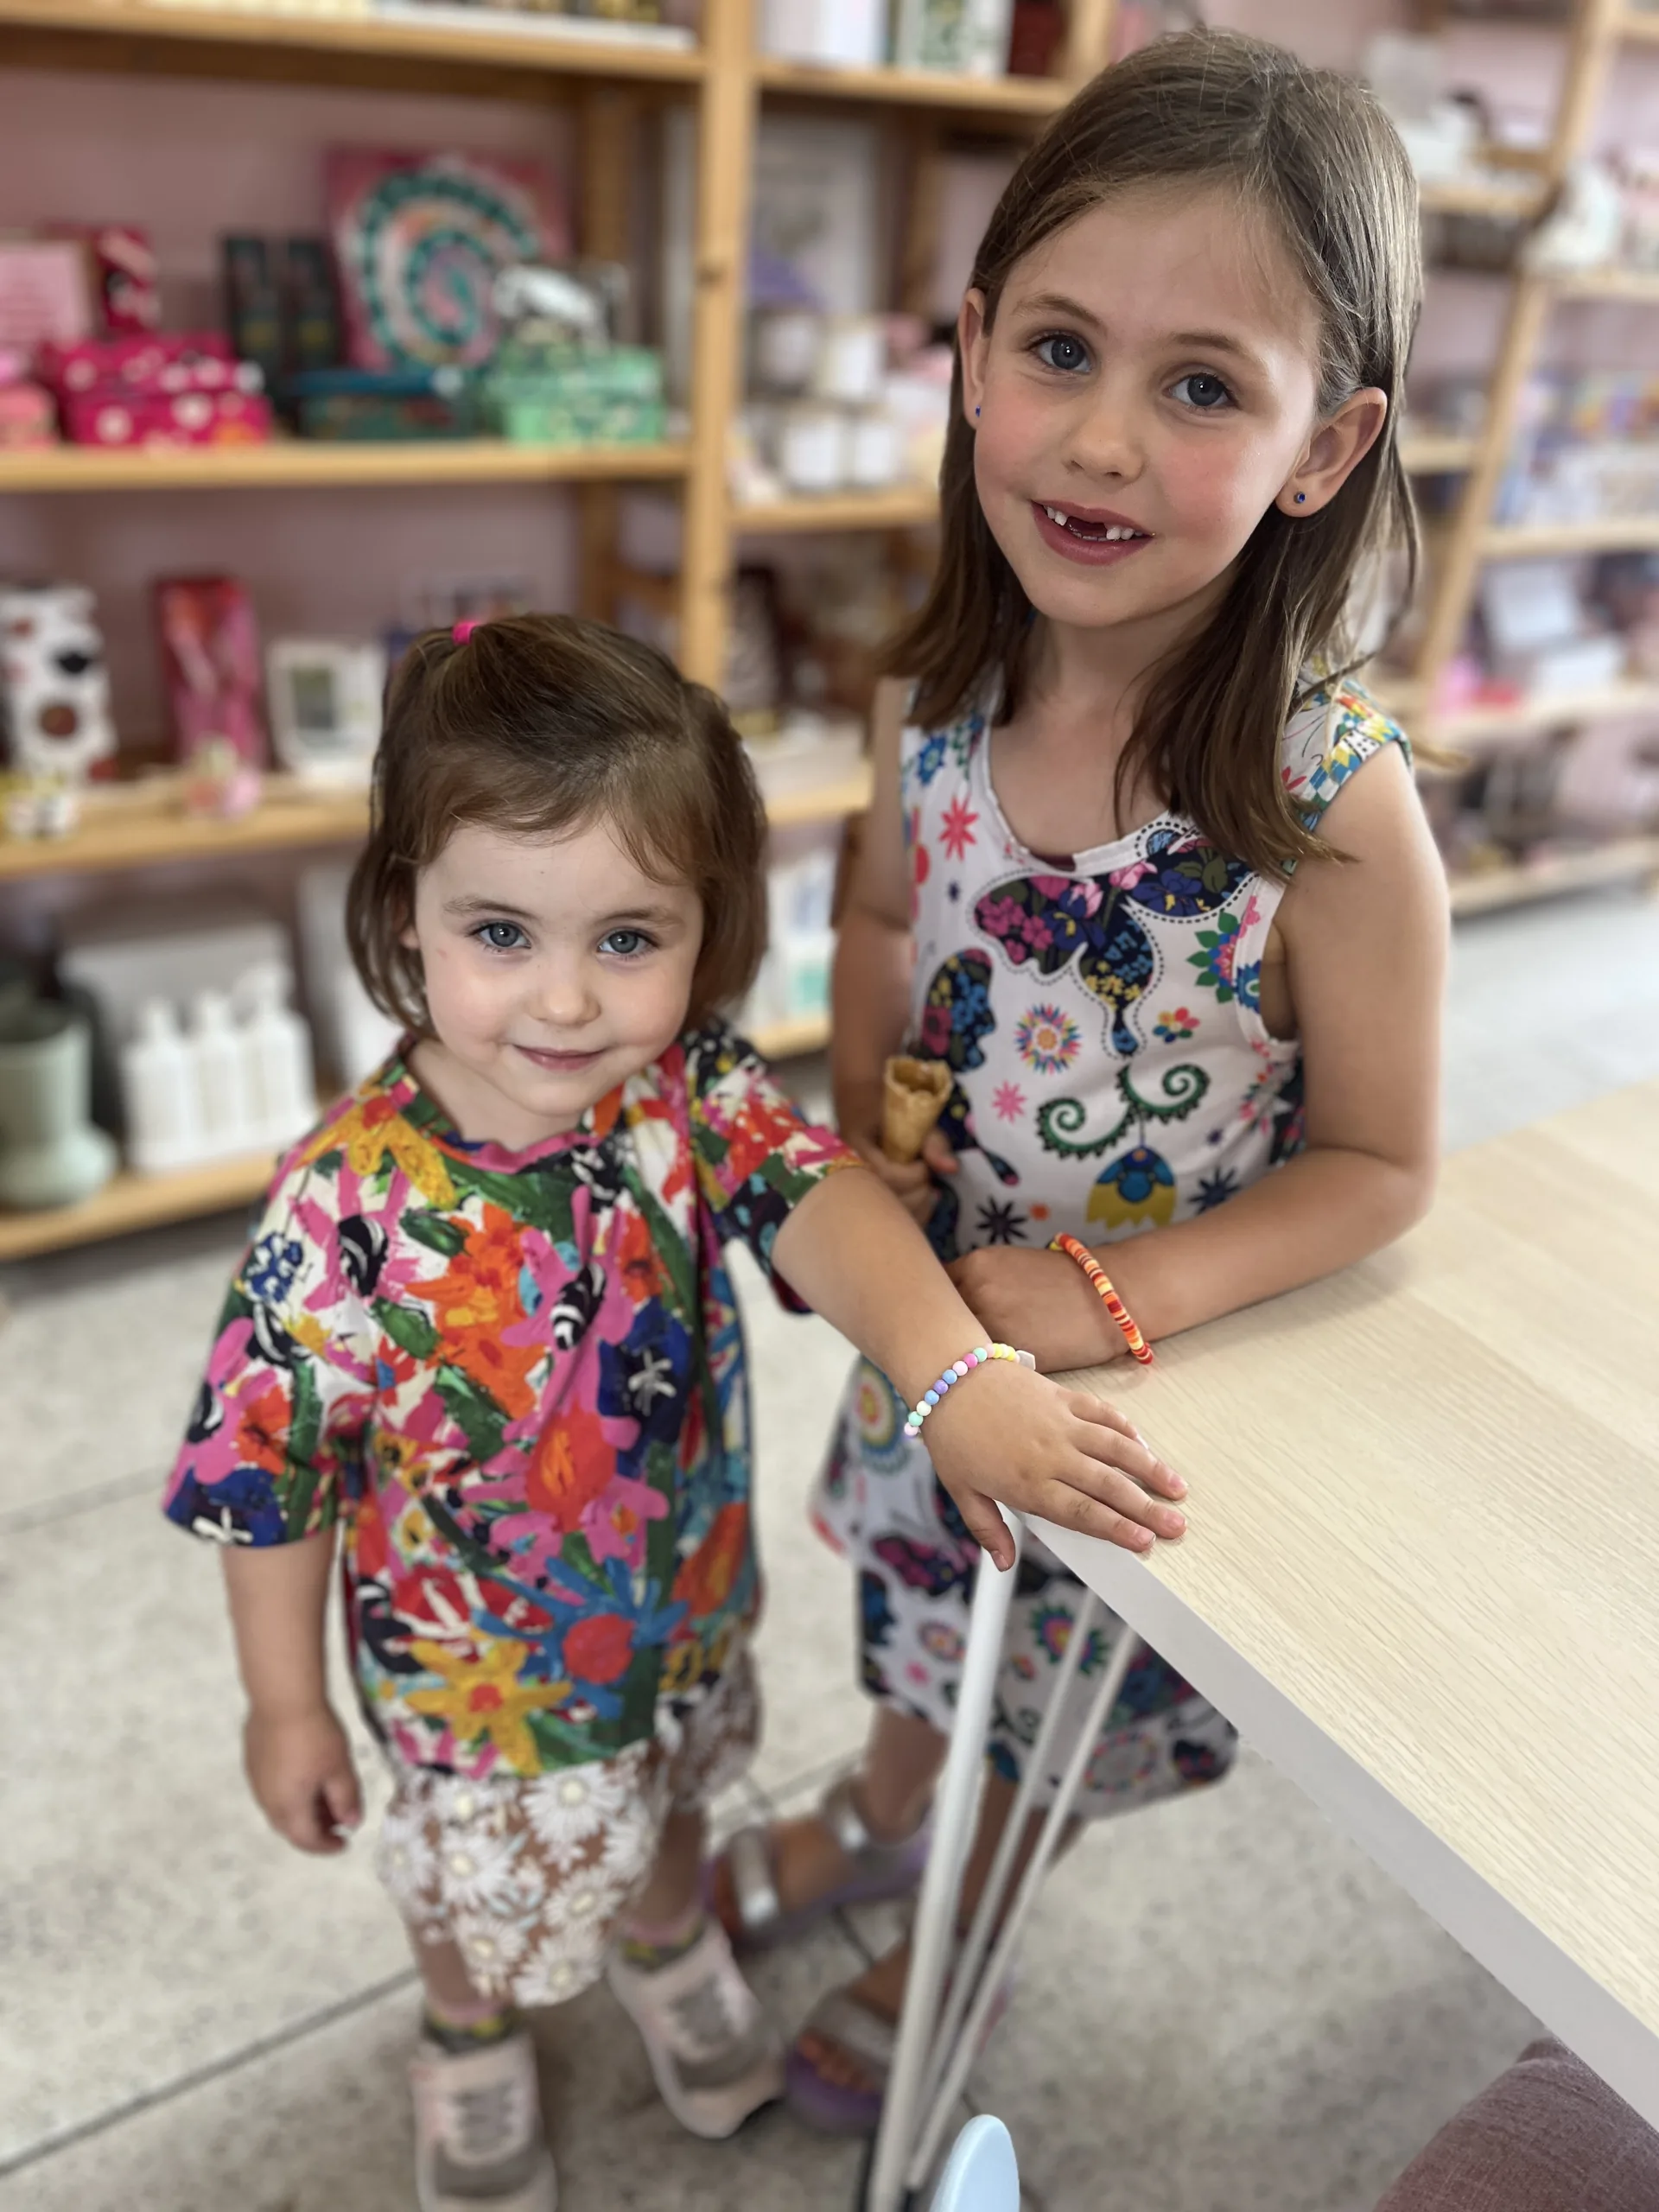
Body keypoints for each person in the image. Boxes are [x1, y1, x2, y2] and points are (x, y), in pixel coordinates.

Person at [161, 613, 1189, 2212]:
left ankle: (663, 1936)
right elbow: (265, 1479)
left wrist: (953, 1369)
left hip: (680, 1611)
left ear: (708, 936)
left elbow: (820, 1196)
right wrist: (282, 1705)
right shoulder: (343, 1207)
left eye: (628, 940)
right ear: (404, 916)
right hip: (470, 1687)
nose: (566, 1001)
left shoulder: (687, 1090)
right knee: (465, 1883)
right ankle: (462, 2024)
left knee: (674, 1808)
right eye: (500, 932)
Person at [707, 29, 1450, 2135]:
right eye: (1059, 346)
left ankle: (966, 1924)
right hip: (939, 1322)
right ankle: (879, 1802)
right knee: (915, 1619)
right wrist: (866, 1123)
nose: (1100, 438)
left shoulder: (1331, 801)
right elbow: (871, 924)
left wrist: (1113, 1301)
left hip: (1130, 1377)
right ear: (964, 357)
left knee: (1038, 1716)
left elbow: (1386, 1165)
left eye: (1204, 383)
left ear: (1327, 442)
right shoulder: (932, 692)